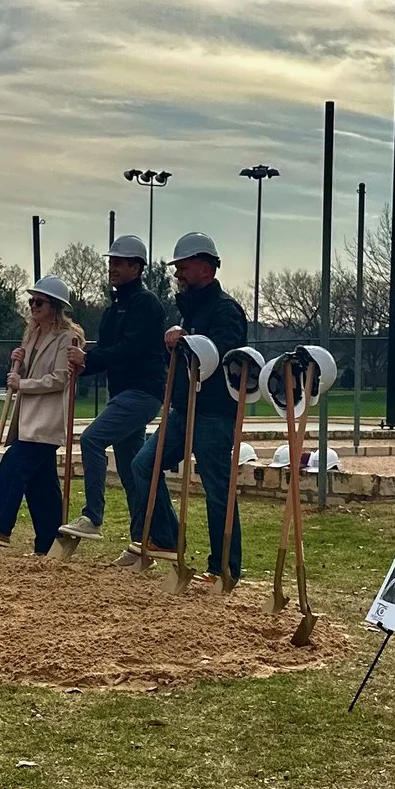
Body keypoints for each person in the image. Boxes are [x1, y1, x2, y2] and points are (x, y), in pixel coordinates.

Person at [127, 232, 248, 580]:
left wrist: (189, 341)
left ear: (205, 268)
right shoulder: (192, 309)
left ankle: (223, 568)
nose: (178, 273)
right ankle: (165, 540)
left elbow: (223, 353)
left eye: (183, 266)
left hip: (212, 412)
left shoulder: (226, 310)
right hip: (183, 410)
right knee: (144, 465)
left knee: (217, 490)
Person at [57, 233, 168, 546]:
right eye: (112, 262)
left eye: (119, 263)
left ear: (137, 267)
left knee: (92, 439)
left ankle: (92, 516)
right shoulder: (112, 309)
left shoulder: (146, 304)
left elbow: (131, 348)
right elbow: (105, 352)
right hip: (121, 393)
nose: (112, 268)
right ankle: (141, 540)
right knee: (132, 470)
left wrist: (89, 358)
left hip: (143, 392)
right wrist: (83, 364)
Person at [0, 276, 83, 554]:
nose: (33, 306)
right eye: (31, 301)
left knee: (14, 464)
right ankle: (51, 542)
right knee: (40, 484)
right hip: (27, 419)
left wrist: (23, 384)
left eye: (39, 302)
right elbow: (27, 372)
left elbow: (59, 379)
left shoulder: (67, 338)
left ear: (54, 306)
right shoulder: (31, 334)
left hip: (46, 419)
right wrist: (18, 363)